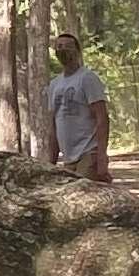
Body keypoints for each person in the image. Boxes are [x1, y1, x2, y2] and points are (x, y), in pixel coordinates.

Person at [44, 34, 112, 181]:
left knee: (86, 194)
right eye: (59, 46)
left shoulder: (87, 78)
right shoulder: (54, 84)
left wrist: (101, 155)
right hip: (68, 158)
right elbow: (54, 125)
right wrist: (51, 162)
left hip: (88, 152)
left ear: (77, 51)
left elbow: (102, 118)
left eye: (68, 46)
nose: (63, 50)